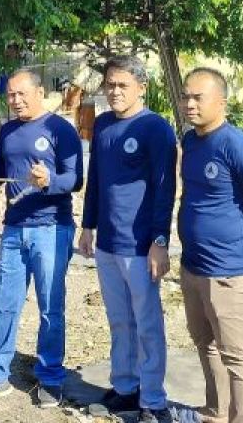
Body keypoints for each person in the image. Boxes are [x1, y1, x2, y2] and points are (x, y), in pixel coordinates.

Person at [0, 69, 82, 408]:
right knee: (5, 305)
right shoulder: (8, 130)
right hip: (14, 229)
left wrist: (50, 180)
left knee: (50, 308)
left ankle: (50, 377)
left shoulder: (60, 129)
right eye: (10, 95)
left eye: (21, 94)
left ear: (40, 92)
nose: (15, 100)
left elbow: (76, 178)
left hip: (51, 229)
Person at [178, 68, 243, 423]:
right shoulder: (191, 142)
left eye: (198, 98)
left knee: (236, 356)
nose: (189, 104)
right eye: (186, 97)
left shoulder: (238, 147)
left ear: (221, 101)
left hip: (231, 273)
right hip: (193, 267)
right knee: (204, 343)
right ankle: (216, 412)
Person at [80, 56, 178, 423]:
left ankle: (153, 400)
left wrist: (160, 241)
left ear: (142, 87)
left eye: (123, 85)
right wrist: (88, 225)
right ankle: (125, 388)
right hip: (107, 242)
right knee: (120, 320)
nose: (115, 91)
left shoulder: (156, 129)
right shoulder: (103, 124)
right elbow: (96, 182)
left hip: (140, 246)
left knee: (148, 324)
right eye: (110, 84)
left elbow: (165, 189)